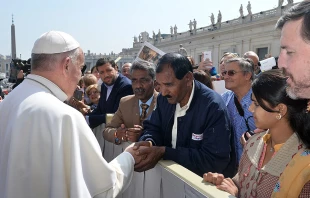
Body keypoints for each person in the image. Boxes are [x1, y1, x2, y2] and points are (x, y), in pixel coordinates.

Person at [0, 31, 143, 198]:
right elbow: (101, 189)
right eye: (80, 68)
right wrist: (129, 157)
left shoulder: (9, 102)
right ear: (67, 65)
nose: (80, 76)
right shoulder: (65, 117)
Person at [203, 69, 310, 197]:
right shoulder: (253, 143)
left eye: (256, 104)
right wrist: (222, 182)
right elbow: (239, 184)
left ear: (280, 109)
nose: (250, 108)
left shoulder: (305, 165)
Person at [134, 53, 236, 177]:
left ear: (188, 79)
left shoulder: (212, 106)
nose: (163, 92)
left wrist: (165, 152)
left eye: (169, 84)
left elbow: (214, 160)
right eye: (159, 85)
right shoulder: (163, 99)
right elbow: (153, 127)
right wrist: (149, 142)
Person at [103, 62, 158, 144]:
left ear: (155, 82)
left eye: (143, 80)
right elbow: (107, 131)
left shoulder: (164, 103)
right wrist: (118, 134)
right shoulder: (125, 102)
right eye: (134, 81)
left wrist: (143, 136)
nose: (138, 85)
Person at [221, 58, 256, 162]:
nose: (226, 77)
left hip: (256, 166)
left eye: (231, 73)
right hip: (232, 167)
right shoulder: (224, 98)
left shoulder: (261, 99)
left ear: (247, 75)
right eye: (224, 72)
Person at [86, 58, 133, 128]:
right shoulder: (104, 85)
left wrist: (89, 119)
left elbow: (117, 116)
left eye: (108, 70)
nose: (106, 75)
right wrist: (84, 118)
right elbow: (100, 109)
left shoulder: (126, 86)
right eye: (102, 72)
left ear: (116, 69)